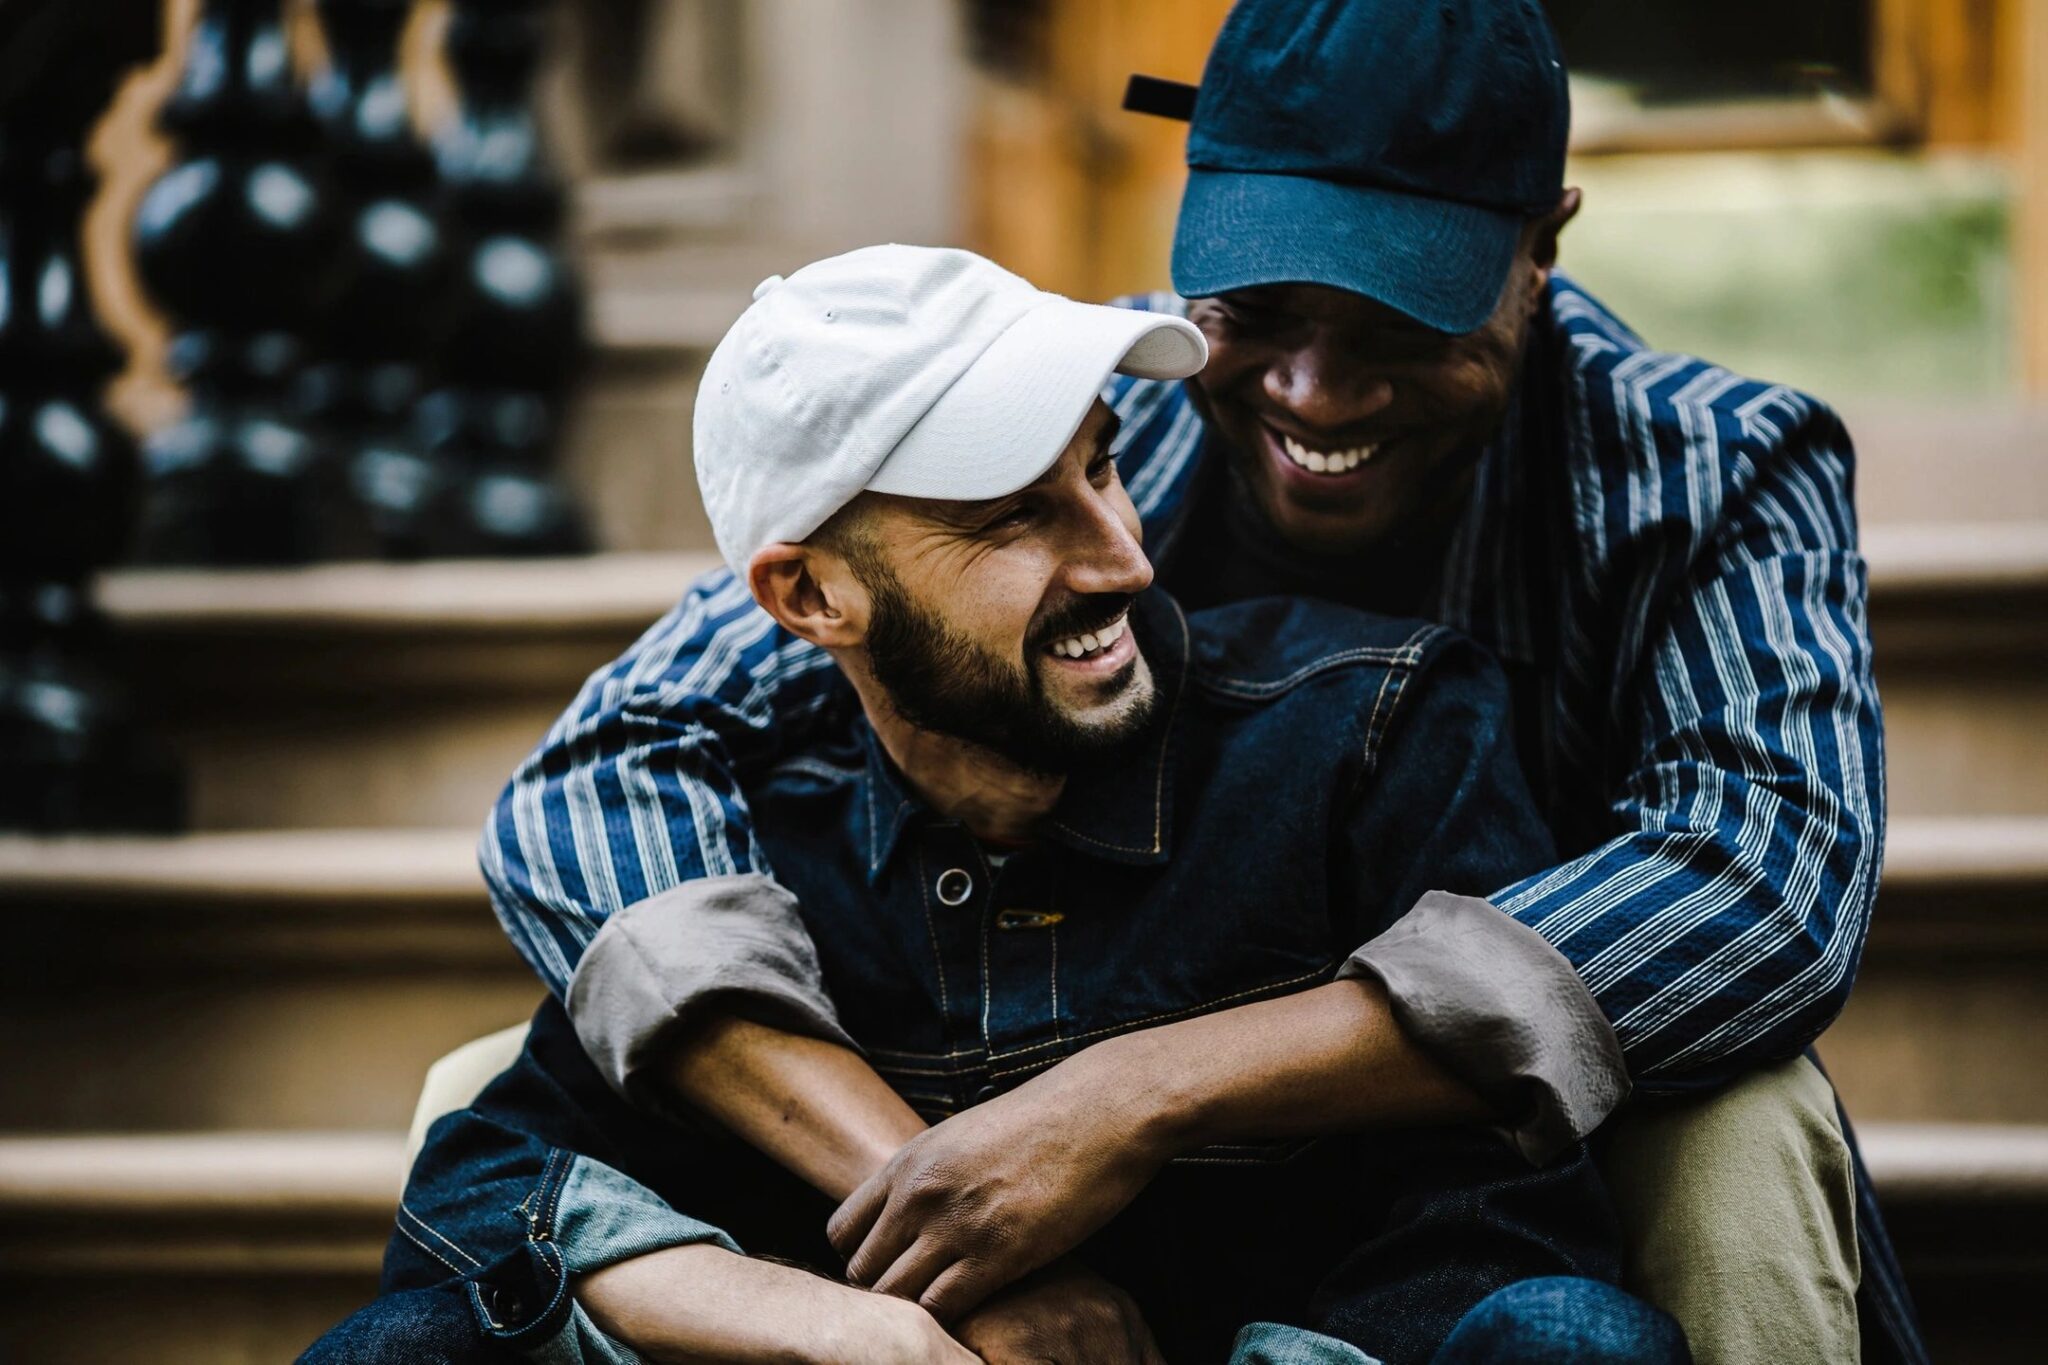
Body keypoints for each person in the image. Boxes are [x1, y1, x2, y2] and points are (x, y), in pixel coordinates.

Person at [478, 3, 1921, 1362]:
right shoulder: (1080, 415)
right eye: (1261, 308)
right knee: (528, 1094)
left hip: (1515, 1149)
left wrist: (1137, 1094)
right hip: (1115, 1145)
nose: (1314, 390)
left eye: (1399, 323)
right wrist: (938, 1191)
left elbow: (1760, 896)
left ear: (1543, 245)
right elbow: (599, 776)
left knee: (1749, 1120)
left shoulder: (1710, 469)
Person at [308, 244, 1689, 1364]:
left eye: (1101, 465)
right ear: (810, 595)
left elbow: (1509, 1228)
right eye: (1009, 517)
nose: (1120, 559)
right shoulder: (760, 856)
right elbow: (477, 1205)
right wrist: (866, 1331)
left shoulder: (1370, 733)